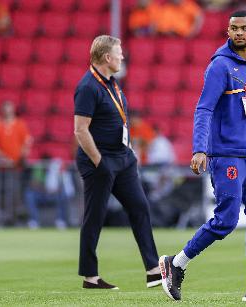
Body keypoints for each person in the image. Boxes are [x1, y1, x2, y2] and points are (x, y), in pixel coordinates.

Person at [158, 11, 246, 303]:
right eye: (234, 28)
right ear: (227, 32)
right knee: (227, 220)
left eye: (244, 28)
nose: (239, 32)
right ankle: (175, 264)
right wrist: (199, 148)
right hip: (227, 156)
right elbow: (204, 109)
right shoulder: (219, 67)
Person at [74, 35, 161, 290]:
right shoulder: (88, 87)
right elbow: (80, 130)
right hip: (100, 161)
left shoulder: (111, 83)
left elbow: (119, 121)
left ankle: (153, 270)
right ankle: (90, 277)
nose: (122, 56)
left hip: (123, 159)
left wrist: (129, 151)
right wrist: (100, 162)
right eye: (119, 52)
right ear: (106, 58)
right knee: (95, 217)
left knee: (140, 208)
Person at [24, 156, 71, 229]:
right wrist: (44, 189)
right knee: (29, 194)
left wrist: (56, 190)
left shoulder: (56, 168)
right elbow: (33, 184)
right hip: (42, 194)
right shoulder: (38, 167)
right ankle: (34, 221)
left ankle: (60, 221)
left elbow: (62, 186)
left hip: (54, 195)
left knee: (62, 195)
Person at [0, 101, 32, 167]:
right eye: (5, 110)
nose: (7, 112)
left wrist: (21, 157)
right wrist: (3, 158)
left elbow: (26, 141)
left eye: (9, 110)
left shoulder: (20, 124)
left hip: (17, 162)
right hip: (0, 162)